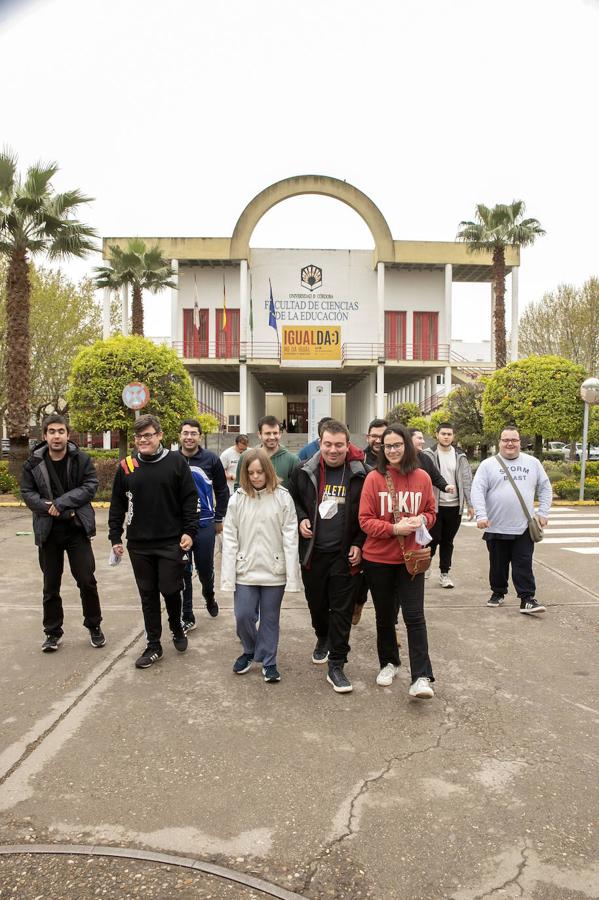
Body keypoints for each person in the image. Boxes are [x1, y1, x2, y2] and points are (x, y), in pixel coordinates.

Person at [108, 414, 198, 669]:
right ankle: (154, 645)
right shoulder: (127, 466)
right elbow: (117, 505)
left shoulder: (176, 462)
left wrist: (189, 532)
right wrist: (115, 536)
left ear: (159, 435)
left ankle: (176, 627)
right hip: (139, 544)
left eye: (148, 435)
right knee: (147, 595)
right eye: (138, 437)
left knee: (171, 589)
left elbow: (190, 500)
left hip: (171, 542)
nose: (143, 440)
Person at [359, 423, 437, 699]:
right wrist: (394, 529)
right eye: (387, 445)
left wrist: (421, 520)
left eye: (397, 445)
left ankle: (421, 677)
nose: (392, 450)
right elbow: (365, 521)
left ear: (407, 445)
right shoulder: (374, 479)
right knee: (384, 616)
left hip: (411, 559)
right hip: (378, 559)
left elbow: (431, 511)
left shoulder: (423, 478)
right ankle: (389, 662)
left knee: (415, 616)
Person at [289, 420, 367, 694]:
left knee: (342, 610)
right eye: (328, 444)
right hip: (314, 554)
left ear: (348, 445)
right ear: (319, 443)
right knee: (317, 605)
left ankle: (337, 663)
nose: (333, 450)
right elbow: (294, 501)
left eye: (339, 445)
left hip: (345, 555)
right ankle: (322, 637)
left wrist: (359, 543)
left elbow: (367, 515)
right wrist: (300, 519)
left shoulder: (361, 473)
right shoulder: (303, 471)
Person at [20, 414, 105, 653]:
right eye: (52, 432)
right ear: (45, 435)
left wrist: (61, 503)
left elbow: (90, 487)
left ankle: (94, 626)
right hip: (48, 532)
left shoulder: (81, 459)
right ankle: (52, 632)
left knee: (87, 581)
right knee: (50, 586)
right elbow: (27, 493)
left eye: (61, 431)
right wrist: (49, 508)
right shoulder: (33, 463)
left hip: (77, 530)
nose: (56, 436)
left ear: (68, 434)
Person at [221, 448, 300, 683]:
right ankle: (250, 649)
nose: (256, 477)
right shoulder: (237, 499)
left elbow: (290, 536)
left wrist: (291, 575)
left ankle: (269, 661)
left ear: (268, 471)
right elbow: (230, 537)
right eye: (251, 472)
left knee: (270, 618)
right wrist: (228, 576)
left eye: (260, 472)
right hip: (245, 570)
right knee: (243, 615)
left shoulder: (283, 497)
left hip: (274, 570)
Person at [470, 426, 552, 614]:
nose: (510, 443)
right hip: (496, 526)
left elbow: (545, 487)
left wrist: (543, 512)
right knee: (498, 565)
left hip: (524, 526)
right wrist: (481, 515)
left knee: (523, 563)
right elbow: (478, 490)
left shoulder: (532, 463)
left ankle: (527, 599)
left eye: (514, 440)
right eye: (506, 440)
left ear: (519, 443)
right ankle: (498, 592)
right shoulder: (488, 465)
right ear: (499, 442)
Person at [179, 419, 229, 629]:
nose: (189, 437)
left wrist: (219, 518)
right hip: (180, 527)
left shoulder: (211, 459)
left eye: (193, 433)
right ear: (179, 436)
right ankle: (187, 615)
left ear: (200, 436)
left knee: (205, 571)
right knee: (183, 572)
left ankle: (209, 596)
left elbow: (222, 490)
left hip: (205, 524)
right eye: (185, 433)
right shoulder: (172, 459)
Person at [423, 422, 474, 588]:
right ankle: (427, 564)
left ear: (453, 436)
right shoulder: (428, 455)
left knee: (448, 541)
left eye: (449, 434)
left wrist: (470, 504)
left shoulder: (460, 456)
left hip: (454, 507)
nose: (446, 436)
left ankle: (445, 574)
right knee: (433, 538)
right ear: (437, 435)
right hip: (434, 506)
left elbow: (467, 481)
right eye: (443, 433)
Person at [351, 418, 389, 625]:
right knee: (360, 579)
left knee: (388, 587)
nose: (378, 440)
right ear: (368, 437)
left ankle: (390, 626)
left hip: (388, 530)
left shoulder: (396, 458)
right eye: (374, 436)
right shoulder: (358, 459)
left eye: (382, 436)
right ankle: (358, 604)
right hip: (362, 527)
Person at [235, 416, 298, 489]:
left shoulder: (292, 460)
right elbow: (239, 486)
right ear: (259, 434)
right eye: (268, 433)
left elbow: (297, 491)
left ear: (280, 434)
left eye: (275, 433)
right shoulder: (246, 457)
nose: (272, 437)